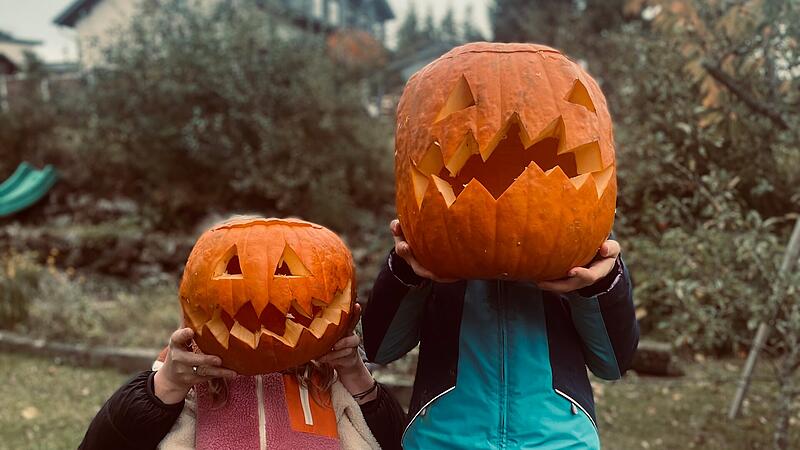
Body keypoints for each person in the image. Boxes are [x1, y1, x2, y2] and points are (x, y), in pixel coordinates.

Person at [363, 220, 639, 449]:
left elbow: (613, 362)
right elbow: (382, 347)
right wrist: (406, 270)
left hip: (559, 440)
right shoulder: (439, 224)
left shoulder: (578, 227)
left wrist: (600, 283)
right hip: (443, 439)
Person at [80, 303, 405, 450]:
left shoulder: (326, 374)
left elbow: (397, 442)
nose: (263, 297)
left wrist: (355, 374)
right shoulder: (190, 374)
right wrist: (166, 384)